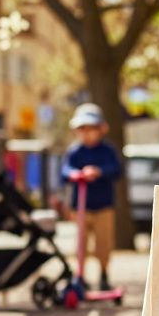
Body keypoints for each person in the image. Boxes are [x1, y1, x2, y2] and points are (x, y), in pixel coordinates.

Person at [60, 103, 123, 291]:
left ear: (101, 129)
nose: (86, 134)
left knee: (103, 243)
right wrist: (73, 174)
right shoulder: (74, 151)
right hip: (80, 206)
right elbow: (64, 171)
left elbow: (117, 170)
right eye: (82, 129)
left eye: (91, 129)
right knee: (81, 243)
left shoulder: (107, 150)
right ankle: (80, 276)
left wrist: (99, 171)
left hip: (103, 205)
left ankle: (103, 274)